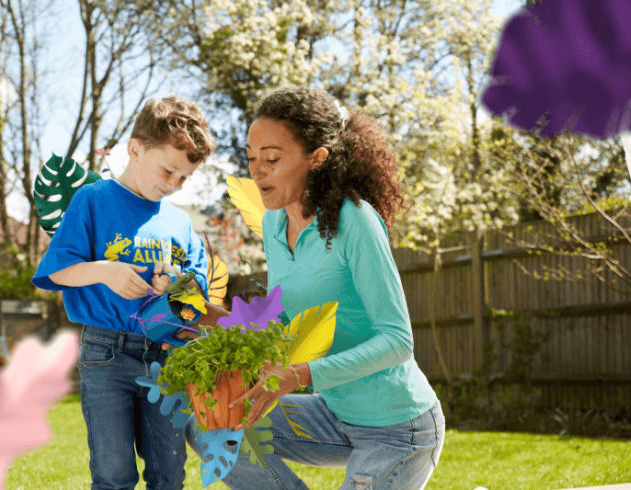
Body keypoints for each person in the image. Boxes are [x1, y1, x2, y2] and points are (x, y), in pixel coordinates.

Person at [188, 87, 445, 490]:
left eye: (272, 159)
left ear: (316, 159)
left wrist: (301, 374)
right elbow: (287, 322)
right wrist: (210, 316)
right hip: (334, 415)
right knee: (214, 426)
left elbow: (397, 341)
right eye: (252, 157)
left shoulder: (355, 221)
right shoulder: (276, 224)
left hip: (398, 428)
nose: (256, 172)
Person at [33, 95, 221, 490]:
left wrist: (174, 288)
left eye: (184, 178)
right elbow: (57, 270)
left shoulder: (179, 222)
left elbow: (197, 295)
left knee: (168, 473)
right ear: (136, 149)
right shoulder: (93, 200)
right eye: (168, 170)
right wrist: (106, 271)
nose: (173, 185)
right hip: (106, 355)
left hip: (168, 357)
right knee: (114, 472)